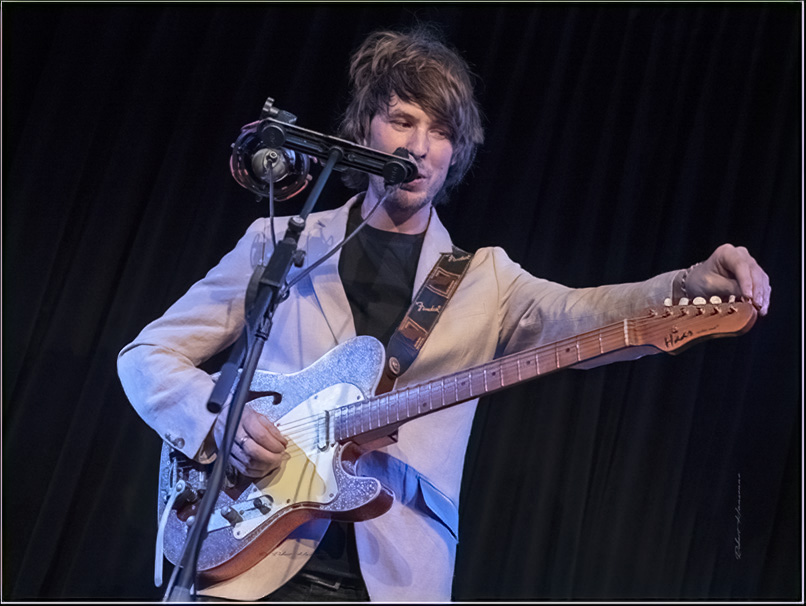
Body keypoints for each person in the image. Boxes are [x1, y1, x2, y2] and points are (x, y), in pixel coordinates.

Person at [117, 26, 771, 602]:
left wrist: (686, 285)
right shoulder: (279, 243)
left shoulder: (486, 279)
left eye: (442, 132)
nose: (421, 146)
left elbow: (588, 313)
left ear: (456, 153)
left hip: (397, 574)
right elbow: (148, 354)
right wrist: (217, 424)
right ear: (364, 129)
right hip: (244, 559)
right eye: (402, 121)